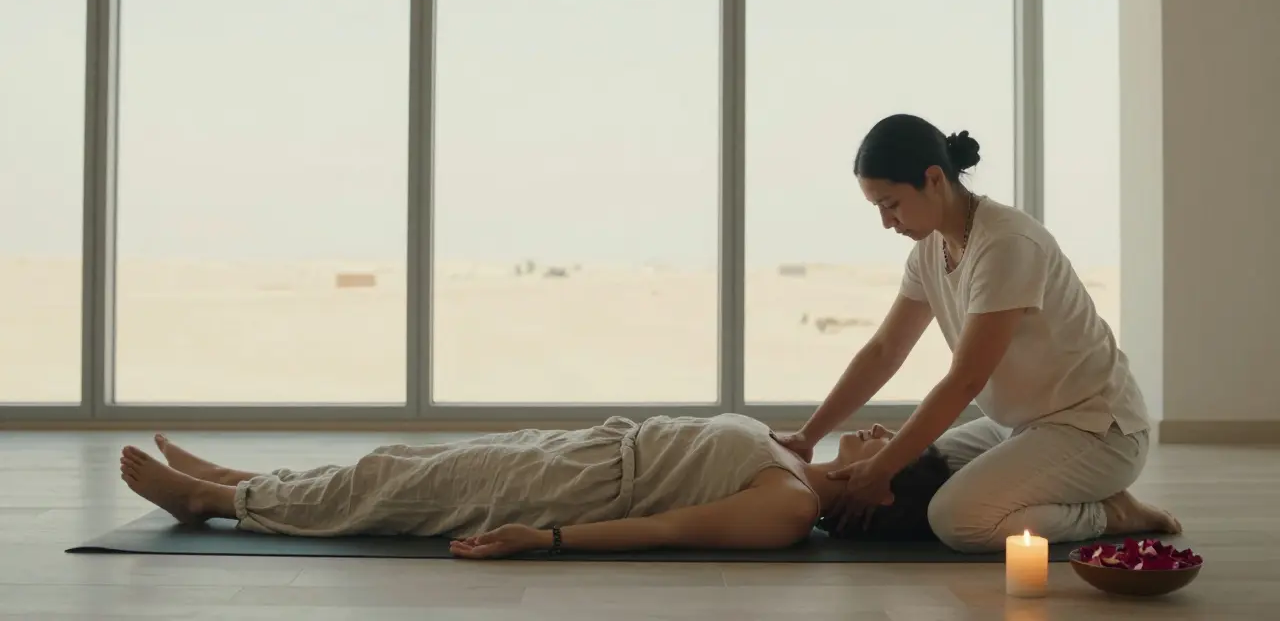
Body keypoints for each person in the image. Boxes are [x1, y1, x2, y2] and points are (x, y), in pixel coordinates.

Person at [773, 113, 1181, 553]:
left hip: (1097, 430)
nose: (887, 222)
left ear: (933, 179)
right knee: (923, 475)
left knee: (956, 519)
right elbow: (884, 350)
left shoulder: (1006, 244)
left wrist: (880, 469)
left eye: (890, 204)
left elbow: (966, 380)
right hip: (1018, 426)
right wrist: (808, 436)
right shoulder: (929, 248)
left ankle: (1110, 513)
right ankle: (1062, 490)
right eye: (878, 208)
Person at [119, 414, 952, 559]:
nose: (883, 432)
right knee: (395, 462)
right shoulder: (799, 459)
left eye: (894, 445)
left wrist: (545, 541)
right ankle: (240, 479)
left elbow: (662, 531)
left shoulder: (791, 506)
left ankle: (214, 503)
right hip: (580, 449)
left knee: (387, 489)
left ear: (880, 494)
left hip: (573, 489)